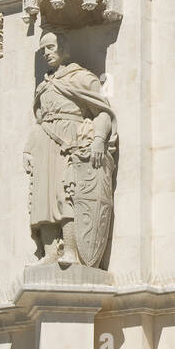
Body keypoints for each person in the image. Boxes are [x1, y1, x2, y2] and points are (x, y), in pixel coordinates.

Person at [23, 30, 117, 267]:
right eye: (43, 49)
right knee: (43, 201)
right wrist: (28, 149)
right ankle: (50, 254)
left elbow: (103, 112)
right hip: (45, 144)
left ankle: (72, 251)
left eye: (50, 48)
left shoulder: (81, 78)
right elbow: (39, 120)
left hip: (70, 143)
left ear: (63, 49)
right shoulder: (43, 86)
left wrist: (97, 139)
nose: (46, 53)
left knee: (68, 197)